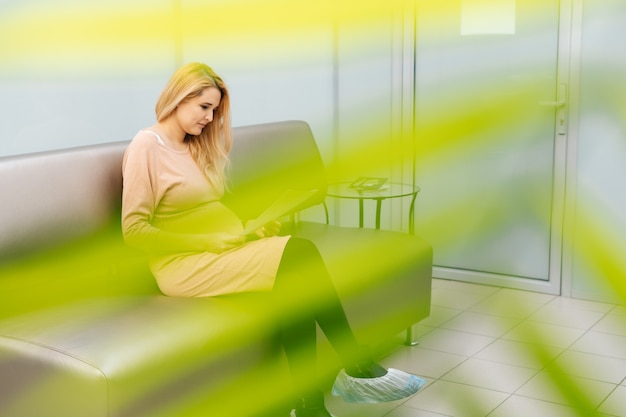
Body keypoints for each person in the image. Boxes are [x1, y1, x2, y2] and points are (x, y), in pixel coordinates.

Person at [121, 62, 425, 417]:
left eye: (214, 110)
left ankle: (309, 405)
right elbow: (134, 231)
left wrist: (250, 227)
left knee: (292, 282)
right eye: (204, 107)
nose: (209, 118)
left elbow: (204, 210)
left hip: (222, 247)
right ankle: (353, 367)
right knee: (300, 253)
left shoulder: (193, 146)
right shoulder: (147, 146)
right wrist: (206, 242)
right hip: (184, 264)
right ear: (179, 97)